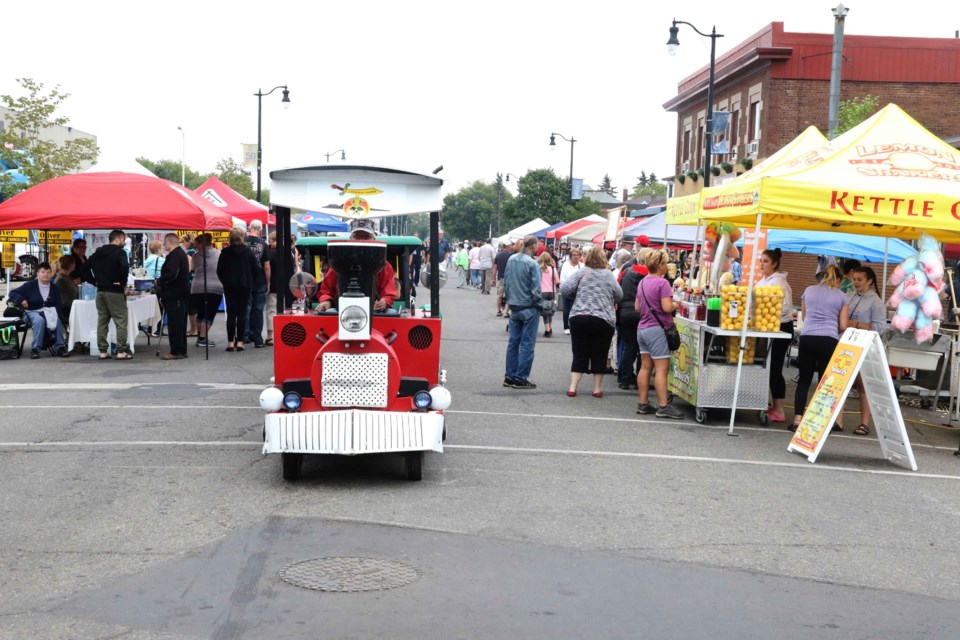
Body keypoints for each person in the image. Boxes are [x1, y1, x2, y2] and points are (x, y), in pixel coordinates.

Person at [561, 246, 623, 397]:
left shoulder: (581, 272)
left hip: (579, 317)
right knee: (600, 353)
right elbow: (619, 296)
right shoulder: (608, 275)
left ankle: (573, 387)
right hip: (603, 319)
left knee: (579, 352)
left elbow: (564, 289)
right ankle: (597, 389)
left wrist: (577, 296)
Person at [793, 264, 849, 430]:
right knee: (825, 382)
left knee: (804, 380)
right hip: (828, 340)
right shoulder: (842, 296)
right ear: (838, 279)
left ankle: (797, 419)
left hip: (808, 338)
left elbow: (805, 315)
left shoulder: (808, 291)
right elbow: (844, 325)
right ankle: (820, 421)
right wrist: (832, 327)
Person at [635, 249, 683, 419]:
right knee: (661, 370)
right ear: (660, 265)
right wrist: (677, 303)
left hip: (642, 328)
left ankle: (643, 403)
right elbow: (666, 308)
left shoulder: (642, 282)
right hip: (657, 329)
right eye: (666, 263)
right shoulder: (663, 284)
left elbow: (637, 308)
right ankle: (663, 406)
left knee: (645, 366)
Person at [844, 266, 887, 436]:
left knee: (863, 386)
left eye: (859, 279)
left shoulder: (876, 302)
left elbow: (880, 328)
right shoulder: (851, 296)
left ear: (869, 281)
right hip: (849, 344)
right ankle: (837, 420)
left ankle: (864, 423)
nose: (855, 283)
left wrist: (854, 324)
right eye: (854, 279)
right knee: (844, 384)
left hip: (866, 347)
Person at [316, 226, 398, 312]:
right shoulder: (339, 263)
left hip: (374, 310)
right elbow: (326, 290)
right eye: (357, 236)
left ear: (374, 239)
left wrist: (384, 301)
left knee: (392, 313)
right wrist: (327, 302)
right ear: (350, 238)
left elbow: (389, 292)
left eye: (367, 237)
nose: (362, 240)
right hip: (342, 310)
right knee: (329, 312)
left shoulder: (383, 265)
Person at [756, 248, 794, 423]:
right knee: (767, 367)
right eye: (760, 260)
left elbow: (785, 308)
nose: (761, 264)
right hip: (765, 328)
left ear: (775, 263)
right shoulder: (763, 281)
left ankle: (779, 410)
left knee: (775, 368)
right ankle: (772, 404)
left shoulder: (778, 282)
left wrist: (766, 316)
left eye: (765, 261)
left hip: (780, 329)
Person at [502, 235, 542, 390]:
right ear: (533, 246)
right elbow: (536, 288)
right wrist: (539, 303)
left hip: (514, 304)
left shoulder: (512, 259)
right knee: (527, 344)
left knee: (513, 343)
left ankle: (509, 375)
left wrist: (509, 300)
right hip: (529, 306)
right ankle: (521, 377)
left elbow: (507, 281)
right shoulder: (532, 263)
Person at [86, 229, 132, 360]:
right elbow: (124, 266)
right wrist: (122, 282)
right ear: (117, 239)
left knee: (102, 321)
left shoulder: (98, 253)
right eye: (123, 239)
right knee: (121, 321)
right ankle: (121, 351)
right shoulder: (120, 252)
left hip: (100, 291)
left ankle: (103, 351)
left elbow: (84, 267)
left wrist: (93, 281)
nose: (124, 242)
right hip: (115, 291)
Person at [9, 262, 69, 359]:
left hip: (49, 312)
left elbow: (58, 304)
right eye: (43, 272)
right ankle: (35, 349)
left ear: (51, 274)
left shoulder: (54, 288)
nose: (45, 274)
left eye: (48, 272)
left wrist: (59, 316)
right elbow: (12, 293)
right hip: (32, 312)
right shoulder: (30, 285)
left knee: (57, 321)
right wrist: (22, 299)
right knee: (39, 320)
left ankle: (60, 347)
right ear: (37, 273)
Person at [218, 227, 260, 352]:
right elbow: (255, 270)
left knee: (231, 314)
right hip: (245, 285)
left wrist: (225, 282)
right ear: (242, 237)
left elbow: (219, 271)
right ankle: (240, 341)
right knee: (242, 314)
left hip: (229, 286)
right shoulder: (248, 252)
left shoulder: (225, 252)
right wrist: (250, 281)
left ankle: (230, 342)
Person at [617, 247, 651, 390]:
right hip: (642, 313)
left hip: (625, 313)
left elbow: (618, 290)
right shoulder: (649, 276)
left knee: (628, 347)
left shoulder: (626, 272)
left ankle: (625, 379)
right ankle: (639, 379)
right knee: (642, 349)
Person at [157, 233, 190, 360]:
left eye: (165, 242)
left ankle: (176, 351)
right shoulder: (180, 254)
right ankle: (181, 350)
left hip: (175, 294)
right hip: (181, 293)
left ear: (170, 241)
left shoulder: (174, 256)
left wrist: (160, 281)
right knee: (180, 324)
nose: (164, 245)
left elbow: (171, 273)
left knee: (176, 324)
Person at [190, 233, 223, 348]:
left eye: (196, 244)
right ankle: (203, 338)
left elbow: (193, 268)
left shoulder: (195, 256)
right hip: (215, 287)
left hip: (197, 288)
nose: (195, 246)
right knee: (209, 314)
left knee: (201, 313)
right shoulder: (219, 254)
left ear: (200, 244)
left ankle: (201, 337)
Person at [243, 219, 270, 348]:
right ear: (260, 229)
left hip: (245, 279)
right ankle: (257, 338)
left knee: (246, 307)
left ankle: (245, 335)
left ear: (249, 228)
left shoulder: (243, 242)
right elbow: (266, 266)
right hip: (259, 280)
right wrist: (268, 282)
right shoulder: (264, 245)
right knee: (258, 309)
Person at [265, 231, 295, 346]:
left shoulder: (271, 254)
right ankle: (283, 334)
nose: (270, 244)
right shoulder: (289, 254)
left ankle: (270, 336)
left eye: (271, 241)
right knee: (284, 310)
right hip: (286, 286)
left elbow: (268, 269)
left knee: (271, 310)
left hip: (273, 285)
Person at [559, 247, 584, 335]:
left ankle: (574, 326)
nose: (575, 256)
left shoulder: (582, 266)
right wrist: (564, 288)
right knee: (566, 309)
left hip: (578, 291)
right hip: (567, 290)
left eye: (577, 255)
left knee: (576, 310)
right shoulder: (566, 265)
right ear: (570, 256)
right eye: (574, 255)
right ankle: (566, 326)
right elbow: (562, 278)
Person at [144, 240, 166, 337]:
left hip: (149, 285)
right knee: (161, 308)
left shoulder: (148, 259)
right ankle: (157, 329)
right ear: (158, 249)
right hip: (159, 285)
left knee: (152, 308)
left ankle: (150, 329)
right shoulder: (161, 260)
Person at [180, 233, 199, 337]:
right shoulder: (197, 251)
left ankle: (193, 330)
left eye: (184, 242)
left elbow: (188, 268)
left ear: (188, 242)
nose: (184, 244)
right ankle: (193, 328)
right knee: (194, 307)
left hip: (190, 281)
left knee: (191, 309)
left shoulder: (190, 252)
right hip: (196, 280)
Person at [538, 252, 560, 337]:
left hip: (543, 291)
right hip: (552, 291)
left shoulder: (540, 269)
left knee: (545, 311)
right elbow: (558, 281)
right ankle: (550, 327)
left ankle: (547, 329)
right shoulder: (553, 269)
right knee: (550, 310)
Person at [55, 255, 79, 331]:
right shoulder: (61, 280)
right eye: (74, 263)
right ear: (71, 264)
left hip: (71, 308)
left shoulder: (67, 277)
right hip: (66, 312)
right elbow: (64, 301)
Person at [494, 241, 514, 317]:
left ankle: (499, 311)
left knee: (499, 295)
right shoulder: (512, 255)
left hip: (500, 277)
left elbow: (495, 267)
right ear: (508, 246)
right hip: (510, 277)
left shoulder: (498, 255)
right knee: (509, 295)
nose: (512, 247)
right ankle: (506, 312)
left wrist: (493, 278)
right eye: (511, 245)